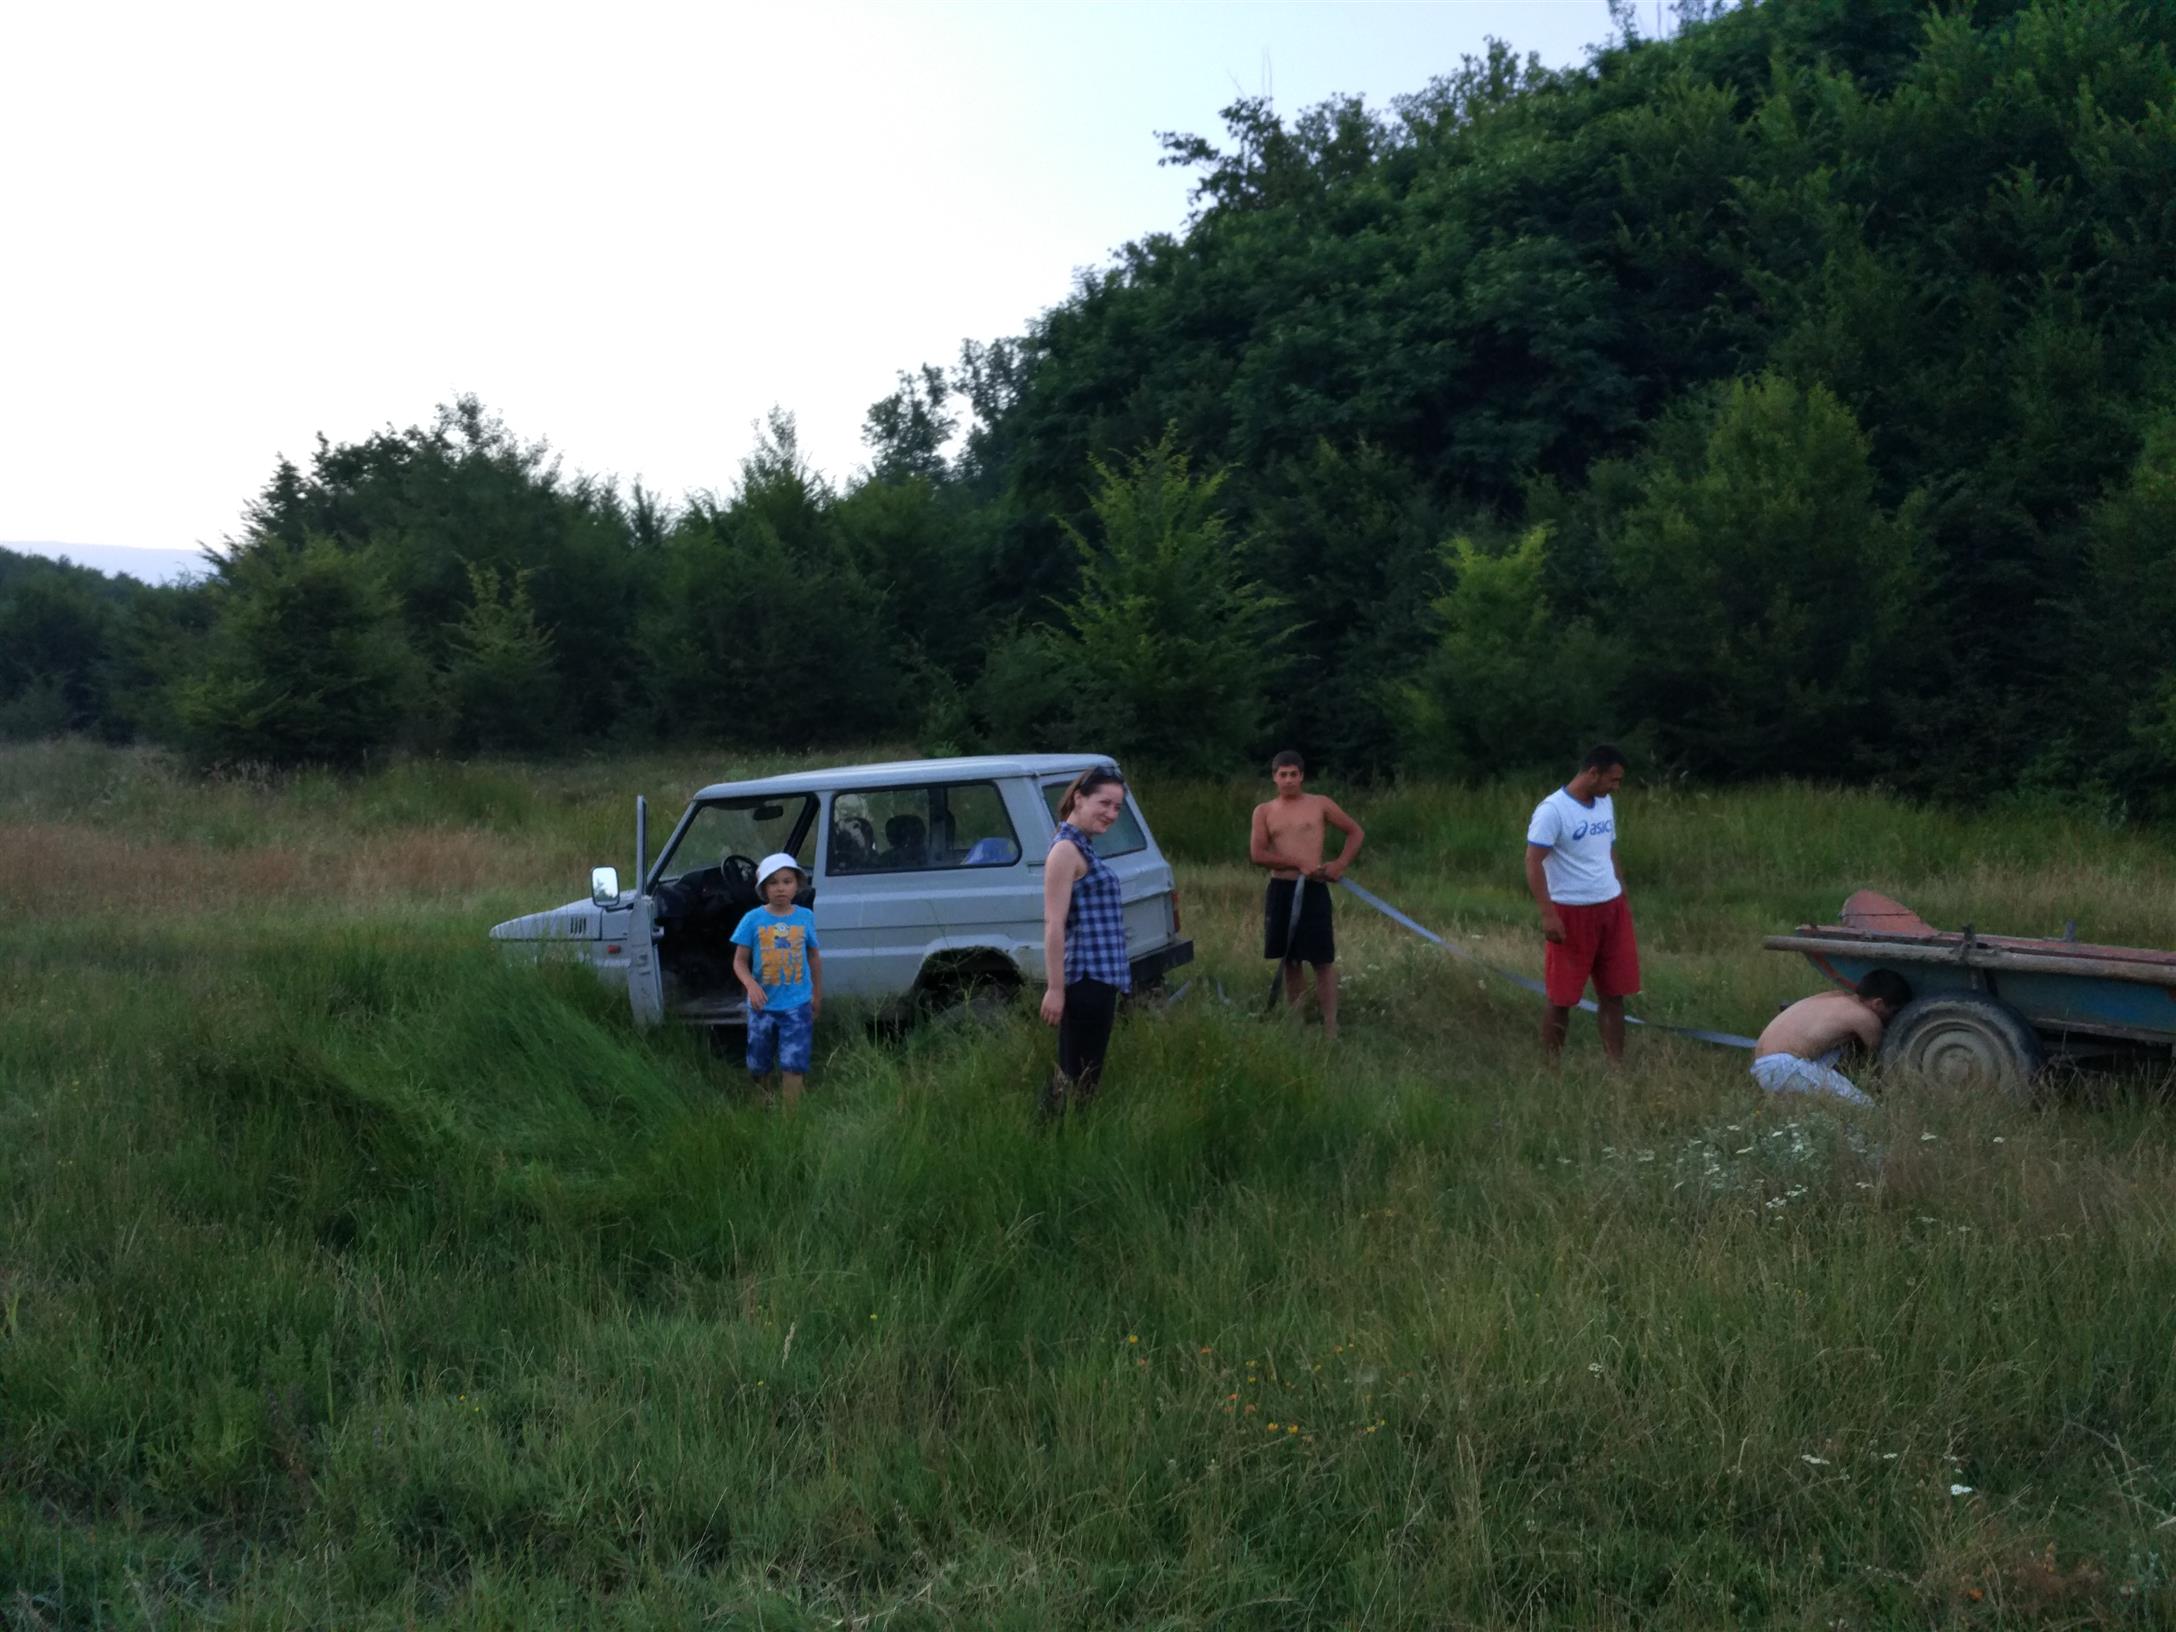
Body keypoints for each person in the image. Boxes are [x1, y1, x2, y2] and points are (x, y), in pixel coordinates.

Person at [1525, 744, 1639, 1064]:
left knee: (1614, 993)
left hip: (1611, 908)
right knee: (1562, 997)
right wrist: (1548, 914)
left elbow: (1608, 849)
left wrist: (1622, 892)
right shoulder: (1553, 810)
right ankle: (1551, 1068)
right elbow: (1533, 862)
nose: (1616, 787)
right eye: (1613, 780)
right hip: (1571, 911)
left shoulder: (1604, 803)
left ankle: (1616, 1067)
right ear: (1592, 773)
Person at [1249, 750, 1364, 1040]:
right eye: (1282, 774)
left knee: (1322, 960)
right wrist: (1297, 863)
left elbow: (1355, 832)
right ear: (1274, 777)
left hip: (1314, 889)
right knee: (1290, 960)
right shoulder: (1264, 811)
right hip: (1281, 890)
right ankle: (1296, 1024)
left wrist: (1339, 864)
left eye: (1293, 774)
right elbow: (1258, 854)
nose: (1288, 780)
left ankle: (1330, 1027)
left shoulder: (1320, 804)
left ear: (1301, 776)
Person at [1040, 765, 1131, 1114]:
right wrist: (1055, 989)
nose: (1111, 814)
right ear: (1079, 798)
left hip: (1102, 979)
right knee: (1077, 1075)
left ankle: (1066, 1131)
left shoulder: (1084, 848)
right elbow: (1054, 923)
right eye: (1104, 803)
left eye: (1117, 807)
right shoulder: (1065, 850)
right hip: (1084, 980)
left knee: (1084, 1074)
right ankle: (1054, 1133)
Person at [730, 852, 823, 1108]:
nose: (781, 888)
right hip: (763, 1006)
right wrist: (751, 985)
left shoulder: (805, 917)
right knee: (759, 1062)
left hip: (797, 1005)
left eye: (787, 881)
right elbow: (739, 961)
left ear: (797, 884)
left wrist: (817, 995)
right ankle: (764, 1102)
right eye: (773, 883)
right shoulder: (752, 919)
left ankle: (790, 1117)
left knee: (794, 1061)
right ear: (763, 889)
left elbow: (814, 957)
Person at [1751, 971, 1914, 1107]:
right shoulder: (1866, 1018)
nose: (1892, 1017)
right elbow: (1879, 1062)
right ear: (1877, 1003)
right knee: (1864, 1108)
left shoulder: (1833, 997)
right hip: (1785, 1067)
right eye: (1893, 1011)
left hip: (1763, 1065)